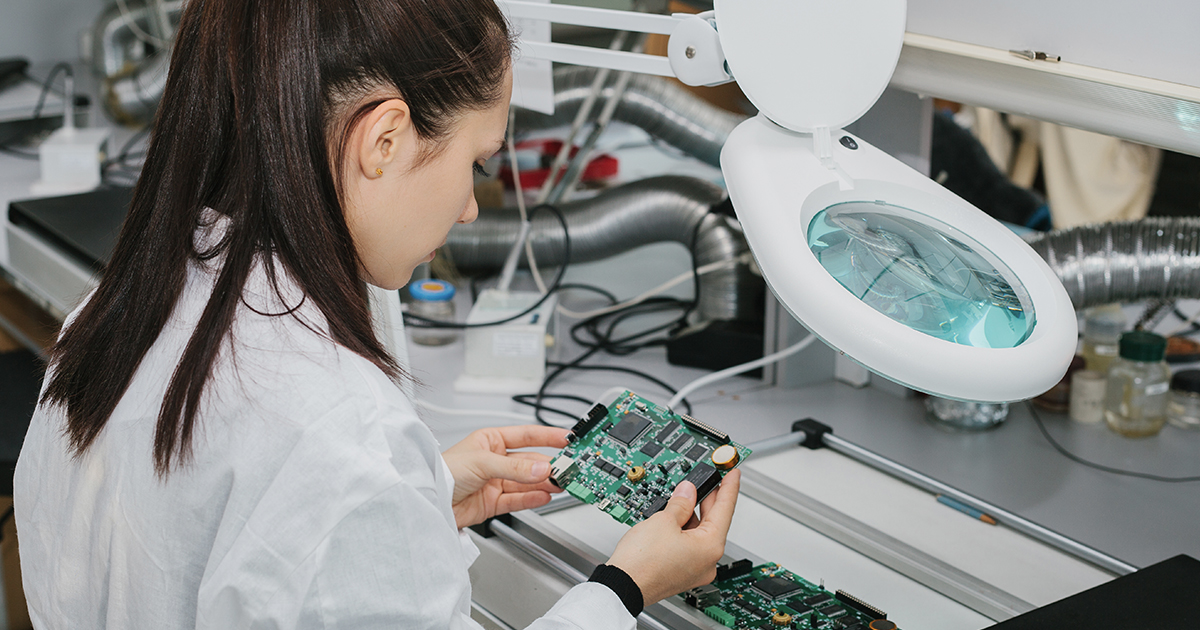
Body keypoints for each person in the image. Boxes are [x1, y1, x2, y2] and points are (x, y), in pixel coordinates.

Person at [13, 0, 740, 627]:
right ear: (384, 140)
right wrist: (624, 587)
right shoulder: (339, 437)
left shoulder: (113, 314)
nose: (468, 207)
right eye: (477, 164)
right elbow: (313, 492)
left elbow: (203, 541)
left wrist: (417, 495)